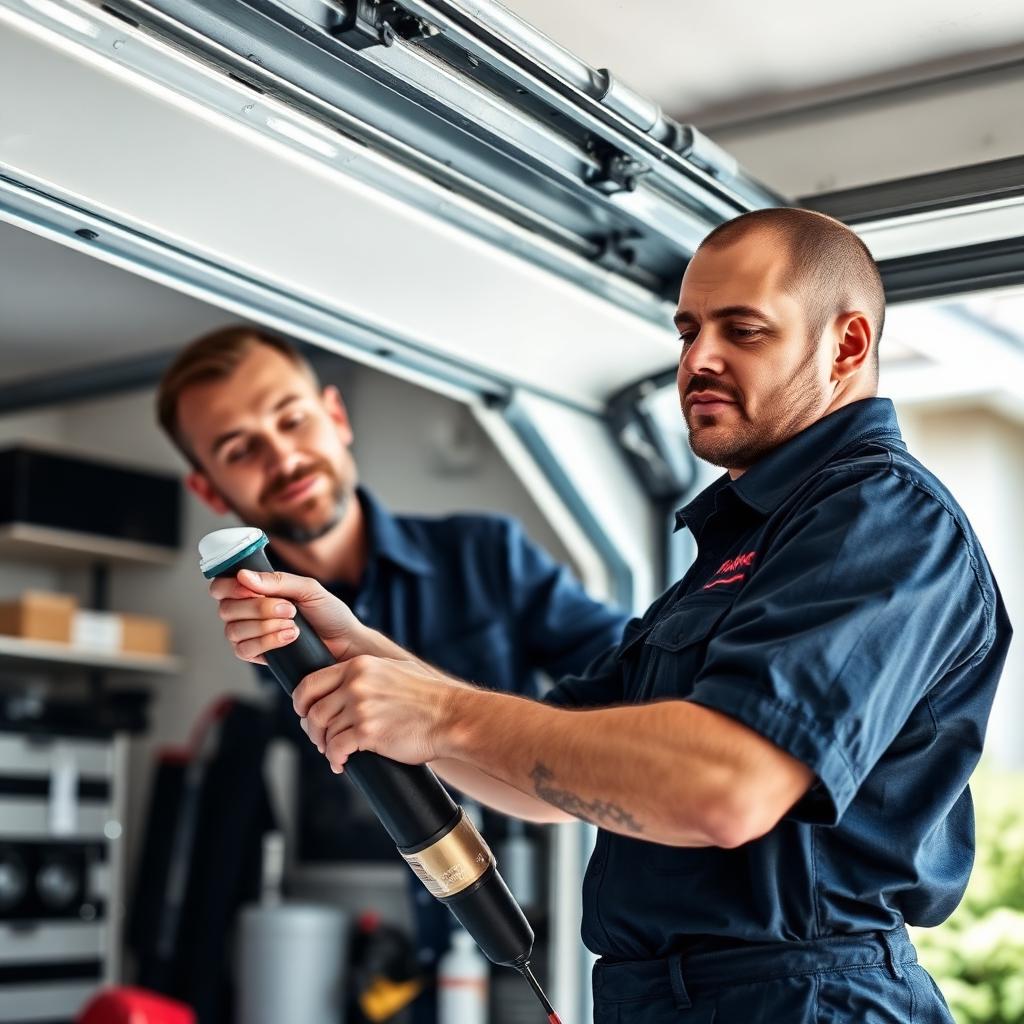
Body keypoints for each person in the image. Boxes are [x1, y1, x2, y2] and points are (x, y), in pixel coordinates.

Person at [210, 208, 1012, 1023]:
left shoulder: (881, 519)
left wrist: (442, 711)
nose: (699, 358)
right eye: (688, 330)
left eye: (743, 329)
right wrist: (365, 655)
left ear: (845, 346)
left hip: (804, 1000)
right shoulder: (742, 545)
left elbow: (725, 790)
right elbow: (544, 782)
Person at [155, 327, 629, 1020]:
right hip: (365, 970)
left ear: (336, 417)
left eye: (291, 419)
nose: (283, 455)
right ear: (209, 487)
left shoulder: (487, 555)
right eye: (240, 449)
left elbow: (645, 691)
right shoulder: (270, 635)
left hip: (530, 933)